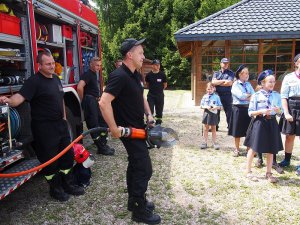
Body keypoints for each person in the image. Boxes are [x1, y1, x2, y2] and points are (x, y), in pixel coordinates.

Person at [0, 51, 84, 201]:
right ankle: (55, 189)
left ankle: (69, 184)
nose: (52, 66)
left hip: (60, 125)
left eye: (53, 63)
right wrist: (7, 100)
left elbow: (61, 100)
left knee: (67, 156)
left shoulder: (56, 80)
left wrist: (64, 119)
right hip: (44, 128)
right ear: (39, 65)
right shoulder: (34, 82)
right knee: (50, 161)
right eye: (48, 64)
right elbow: (19, 99)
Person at [99, 38, 161, 224]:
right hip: (128, 130)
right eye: (140, 53)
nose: (144, 57)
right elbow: (103, 102)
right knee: (144, 168)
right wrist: (113, 128)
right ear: (129, 55)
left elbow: (141, 96)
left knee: (136, 165)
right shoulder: (119, 76)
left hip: (139, 126)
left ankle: (135, 202)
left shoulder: (135, 74)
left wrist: (149, 114)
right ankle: (138, 211)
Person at [244, 70, 283, 183]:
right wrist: (260, 111)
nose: (272, 84)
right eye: (269, 81)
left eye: (273, 82)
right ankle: (248, 171)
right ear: (263, 82)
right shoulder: (256, 96)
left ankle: (269, 173)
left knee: (271, 149)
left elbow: (281, 112)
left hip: (272, 122)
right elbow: (250, 112)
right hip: (259, 122)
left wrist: (278, 110)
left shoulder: (277, 95)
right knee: (253, 148)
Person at [77, 57, 115, 155]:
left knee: (103, 123)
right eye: (97, 65)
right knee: (94, 125)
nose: (99, 67)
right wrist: (83, 100)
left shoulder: (94, 74)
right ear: (91, 65)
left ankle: (102, 144)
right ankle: (101, 148)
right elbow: (80, 87)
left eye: (100, 65)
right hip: (90, 101)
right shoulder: (88, 74)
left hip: (94, 100)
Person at [278, 53, 300, 174]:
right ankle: (287, 160)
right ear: (296, 63)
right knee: (289, 136)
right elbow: (284, 96)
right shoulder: (288, 77)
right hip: (291, 107)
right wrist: (286, 112)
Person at [228, 65, 254, 157]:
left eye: (248, 73)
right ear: (240, 74)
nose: (247, 75)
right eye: (246, 73)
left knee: (249, 130)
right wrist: (248, 96)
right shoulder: (235, 84)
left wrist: (247, 96)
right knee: (237, 130)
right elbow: (240, 96)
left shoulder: (248, 84)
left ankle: (248, 149)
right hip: (238, 109)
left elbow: (253, 96)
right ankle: (237, 149)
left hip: (248, 108)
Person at [212, 58, 234, 130]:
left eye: (227, 63)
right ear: (220, 64)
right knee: (216, 111)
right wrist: (224, 81)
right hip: (217, 94)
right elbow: (213, 82)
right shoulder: (216, 73)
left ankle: (230, 127)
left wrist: (218, 82)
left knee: (229, 112)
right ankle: (215, 126)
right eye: (224, 63)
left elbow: (229, 83)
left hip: (227, 94)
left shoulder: (230, 73)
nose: (226, 64)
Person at [200, 82, 222, 150]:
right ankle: (204, 142)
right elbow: (201, 106)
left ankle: (214, 143)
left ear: (214, 89)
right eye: (208, 89)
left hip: (214, 114)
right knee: (205, 129)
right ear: (206, 89)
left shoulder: (217, 97)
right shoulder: (204, 96)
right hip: (206, 113)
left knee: (213, 129)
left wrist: (216, 107)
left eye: (211, 89)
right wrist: (206, 107)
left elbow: (221, 106)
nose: (210, 90)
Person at [144, 59, 167, 125]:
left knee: (159, 111)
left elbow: (165, 85)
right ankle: (150, 123)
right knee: (150, 110)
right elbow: (147, 84)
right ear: (152, 66)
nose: (158, 66)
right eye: (156, 65)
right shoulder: (148, 75)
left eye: (158, 65)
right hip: (151, 95)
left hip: (160, 95)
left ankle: (158, 123)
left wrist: (159, 90)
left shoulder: (162, 74)